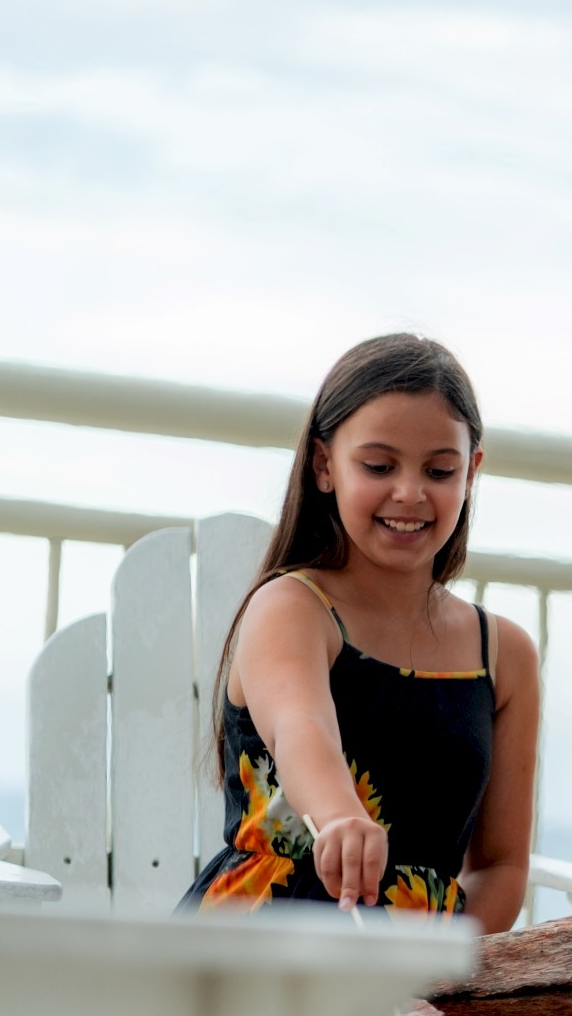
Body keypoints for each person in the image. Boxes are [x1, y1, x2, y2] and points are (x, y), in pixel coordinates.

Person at [183, 333, 539, 932]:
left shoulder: (505, 656)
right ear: (325, 466)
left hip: (423, 981)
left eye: (439, 470)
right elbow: (302, 727)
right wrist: (341, 815)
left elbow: (502, 868)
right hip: (257, 946)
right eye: (378, 466)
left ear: (471, 472)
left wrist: (434, 966)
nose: (409, 492)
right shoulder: (292, 607)